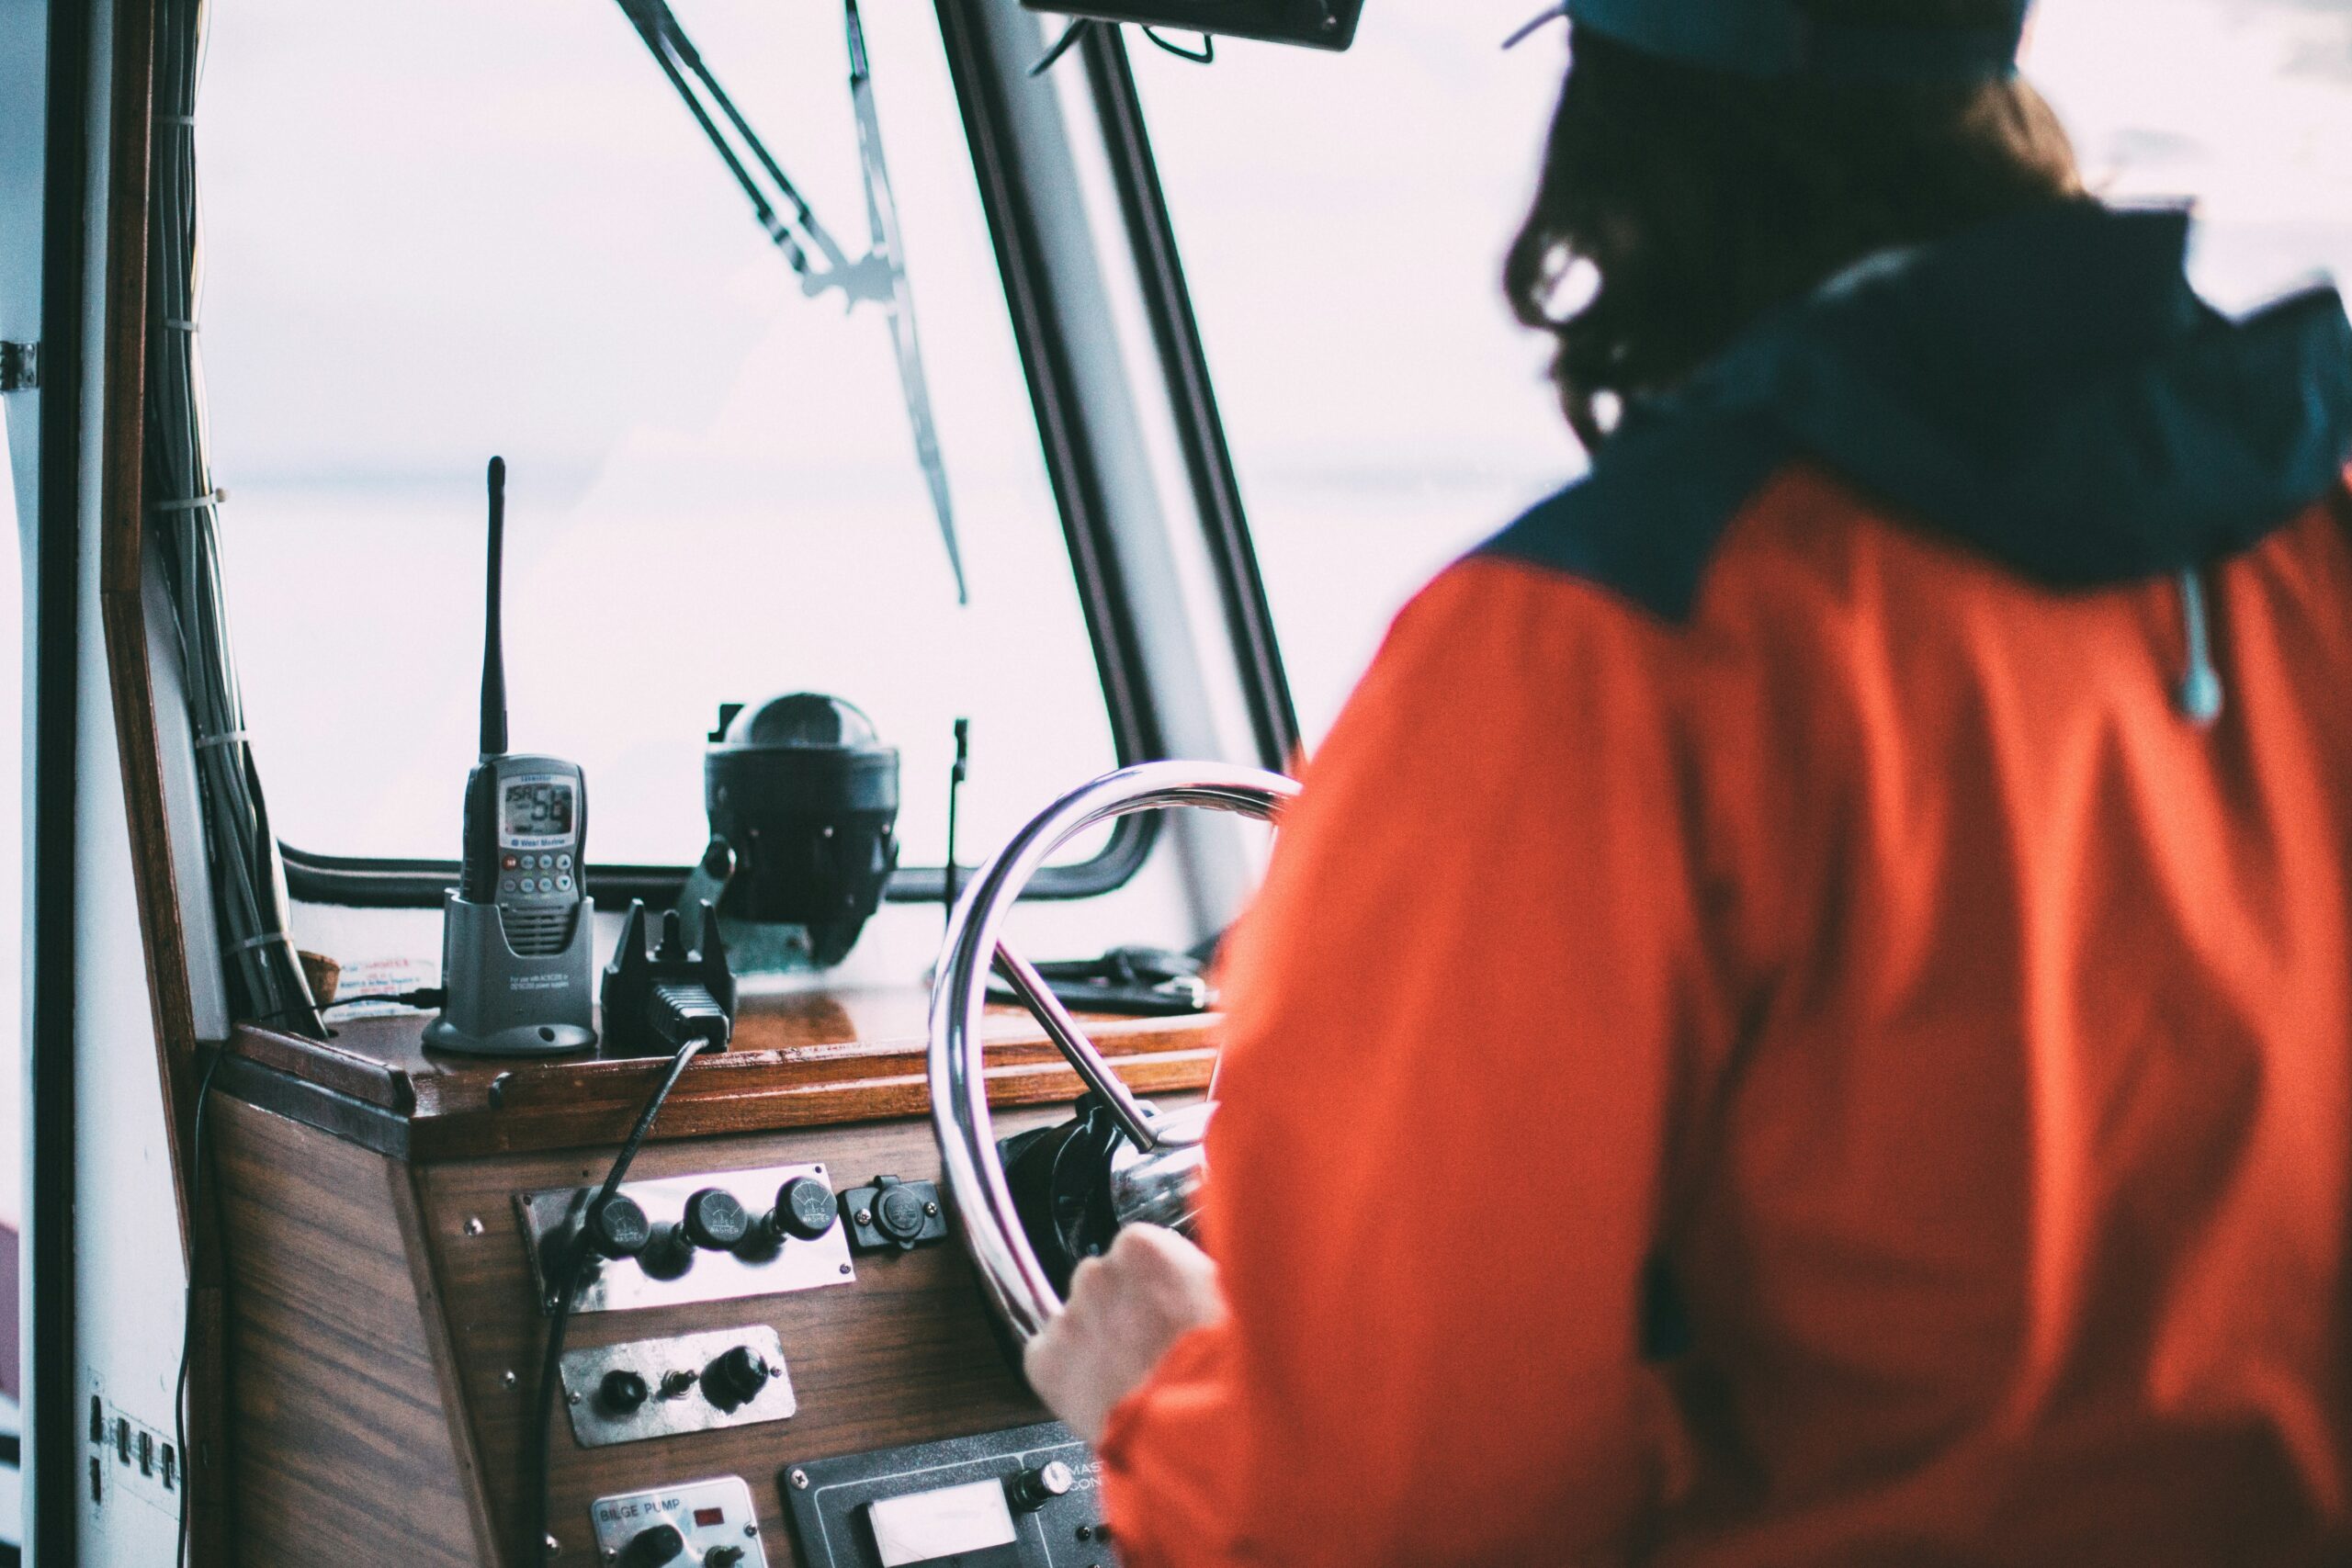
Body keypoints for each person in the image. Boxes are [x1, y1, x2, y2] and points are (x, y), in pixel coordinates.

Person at [1023, 0, 2352, 1563]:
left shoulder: (1584, 660)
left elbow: (1388, 1516)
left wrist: (1168, 1394)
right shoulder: (2308, 549)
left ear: (1615, 150)